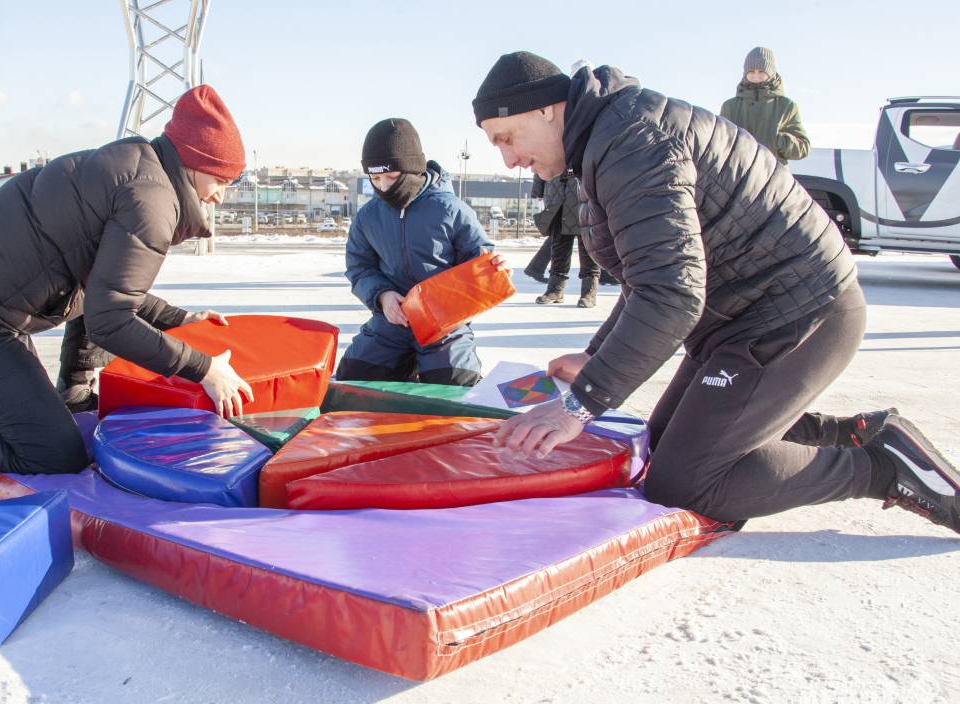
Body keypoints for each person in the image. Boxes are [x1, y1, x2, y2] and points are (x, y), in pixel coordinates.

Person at [471, 51, 958, 534]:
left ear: (546, 109)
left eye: (507, 138)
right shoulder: (605, 141)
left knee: (687, 483)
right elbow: (653, 272)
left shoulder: (632, 143)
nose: (510, 159)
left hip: (799, 312)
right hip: (744, 318)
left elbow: (671, 293)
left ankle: (882, 469)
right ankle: (855, 435)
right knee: (661, 445)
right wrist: (594, 358)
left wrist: (581, 403)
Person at [0, 84, 254, 475]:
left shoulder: (137, 167)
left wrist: (177, 318)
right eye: (221, 181)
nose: (220, 198)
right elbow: (110, 321)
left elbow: (109, 286)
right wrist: (204, 368)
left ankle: (73, 394)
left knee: (43, 413)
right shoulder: (151, 201)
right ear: (195, 163)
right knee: (51, 453)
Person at [336, 118, 504, 386]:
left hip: (444, 326)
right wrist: (382, 296)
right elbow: (359, 267)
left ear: (413, 169)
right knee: (352, 379)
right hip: (392, 322)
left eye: (392, 177)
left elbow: (478, 260)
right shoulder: (368, 216)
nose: (383, 187)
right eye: (375, 178)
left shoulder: (451, 210)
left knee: (455, 384)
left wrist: (488, 270)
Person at [719, 47, 810, 164]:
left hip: (773, 176)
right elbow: (719, 142)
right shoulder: (730, 106)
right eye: (751, 71)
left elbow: (803, 147)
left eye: (761, 71)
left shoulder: (787, 106)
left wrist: (779, 141)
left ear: (771, 72)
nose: (756, 75)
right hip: (738, 177)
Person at [529, 170, 599, 307]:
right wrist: (537, 189)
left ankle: (589, 292)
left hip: (584, 195)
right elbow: (541, 157)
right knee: (559, 246)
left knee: (588, 247)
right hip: (556, 196)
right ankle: (555, 290)